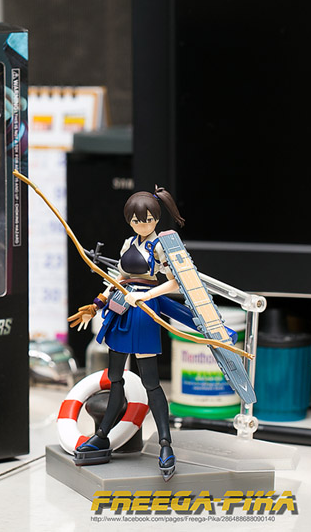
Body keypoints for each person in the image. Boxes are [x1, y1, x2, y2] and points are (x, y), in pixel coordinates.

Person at [68, 186, 192, 480]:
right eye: (136, 220)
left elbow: (175, 282)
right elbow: (119, 278)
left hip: (143, 313)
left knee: (150, 382)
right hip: (121, 310)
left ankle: (165, 444)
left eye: (147, 219)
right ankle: (102, 435)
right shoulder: (128, 242)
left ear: (156, 218)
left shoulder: (160, 246)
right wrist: (96, 305)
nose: (142, 224)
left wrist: (145, 296)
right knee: (115, 377)